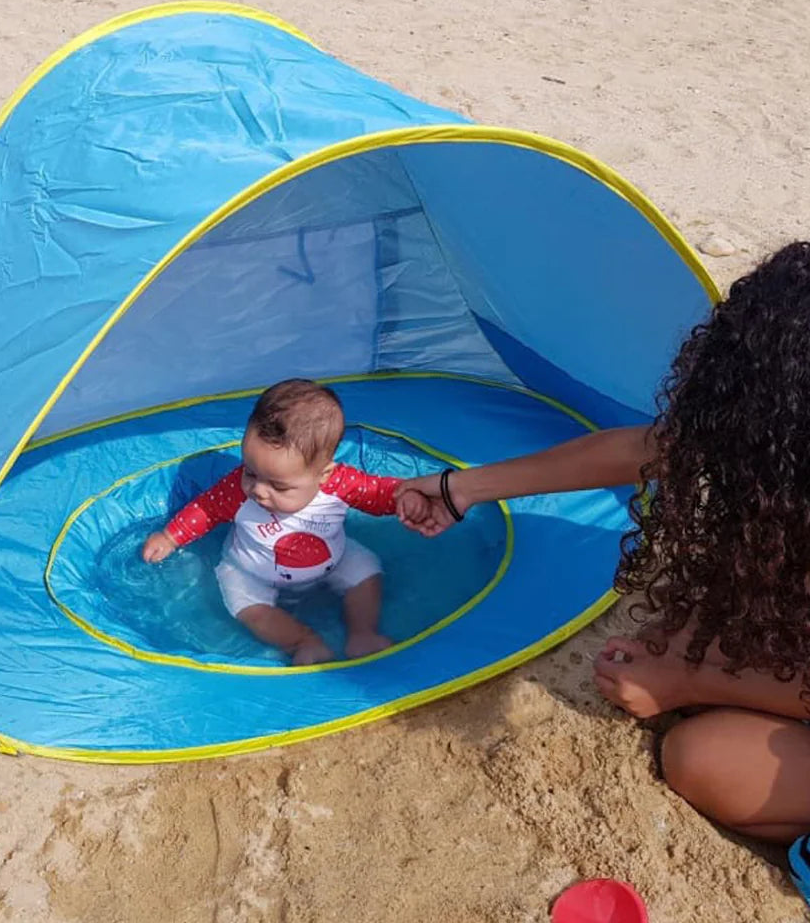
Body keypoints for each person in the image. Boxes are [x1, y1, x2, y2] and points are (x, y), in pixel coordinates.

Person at [396, 241, 810, 847]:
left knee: (702, 757)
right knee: (704, 630)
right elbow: (641, 449)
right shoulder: (774, 452)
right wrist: (460, 489)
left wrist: (687, 682)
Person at [143, 378, 431, 664]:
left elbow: (378, 492)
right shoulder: (236, 490)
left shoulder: (340, 485)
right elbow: (206, 509)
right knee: (245, 605)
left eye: (278, 487)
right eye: (250, 472)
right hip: (251, 570)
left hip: (333, 560)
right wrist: (171, 537)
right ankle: (303, 642)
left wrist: (404, 497)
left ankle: (363, 634)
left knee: (366, 568)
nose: (258, 490)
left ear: (324, 475)